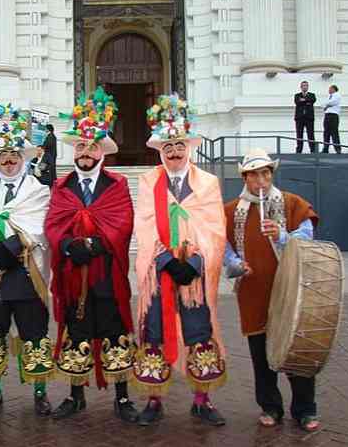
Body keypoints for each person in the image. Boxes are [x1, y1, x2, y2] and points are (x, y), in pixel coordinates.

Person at [45, 87, 139, 423]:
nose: (86, 152)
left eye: (92, 146)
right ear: (75, 150)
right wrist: (69, 246)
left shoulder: (116, 185)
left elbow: (122, 222)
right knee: (77, 331)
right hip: (74, 276)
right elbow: (54, 223)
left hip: (106, 273)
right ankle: (76, 395)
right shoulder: (61, 187)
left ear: (102, 152)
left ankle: (123, 396)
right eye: (81, 146)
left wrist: (96, 245)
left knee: (115, 331)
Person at [133, 95, 228, 427]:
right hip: (159, 270)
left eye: (179, 145)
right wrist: (164, 260)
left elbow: (215, 228)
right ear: (160, 150)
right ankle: (154, 398)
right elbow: (144, 225)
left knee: (198, 329)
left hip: (194, 275)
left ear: (188, 147)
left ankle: (202, 399)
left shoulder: (208, 183)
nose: (174, 152)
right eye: (168, 146)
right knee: (154, 331)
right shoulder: (149, 182)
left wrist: (195, 263)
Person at [223, 148, 320, 432]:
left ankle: (305, 409)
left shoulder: (292, 203)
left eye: (265, 174)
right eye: (254, 176)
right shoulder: (231, 211)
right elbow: (225, 251)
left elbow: (307, 241)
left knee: (297, 350)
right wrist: (237, 265)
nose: (261, 181)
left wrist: (282, 236)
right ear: (244, 178)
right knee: (261, 352)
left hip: (291, 290)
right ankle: (270, 406)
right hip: (253, 292)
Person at [0, 103, 53, 416]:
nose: (8, 161)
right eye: (3, 156)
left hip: (27, 276)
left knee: (34, 336)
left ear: (22, 159)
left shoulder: (38, 191)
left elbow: (38, 228)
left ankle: (40, 392)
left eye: (14, 156)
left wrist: (8, 250)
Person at [293, 81, 317, 153]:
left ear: (308, 87)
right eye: (303, 86)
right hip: (299, 118)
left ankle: (313, 150)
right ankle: (299, 150)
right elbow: (297, 102)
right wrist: (307, 101)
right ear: (301, 87)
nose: (304, 87)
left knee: (311, 134)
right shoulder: (297, 95)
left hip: (309, 118)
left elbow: (312, 100)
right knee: (299, 134)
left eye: (306, 85)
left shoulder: (312, 95)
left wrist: (304, 100)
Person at [322, 85, 341, 154]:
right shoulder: (329, 97)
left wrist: (326, 105)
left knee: (334, 132)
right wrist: (326, 105)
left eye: (330, 88)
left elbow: (333, 102)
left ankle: (337, 148)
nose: (329, 90)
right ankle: (325, 148)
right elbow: (322, 104)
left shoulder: (337, 95)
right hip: (327, 115)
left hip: (333, 115)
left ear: (333, 89)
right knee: (326, 132)